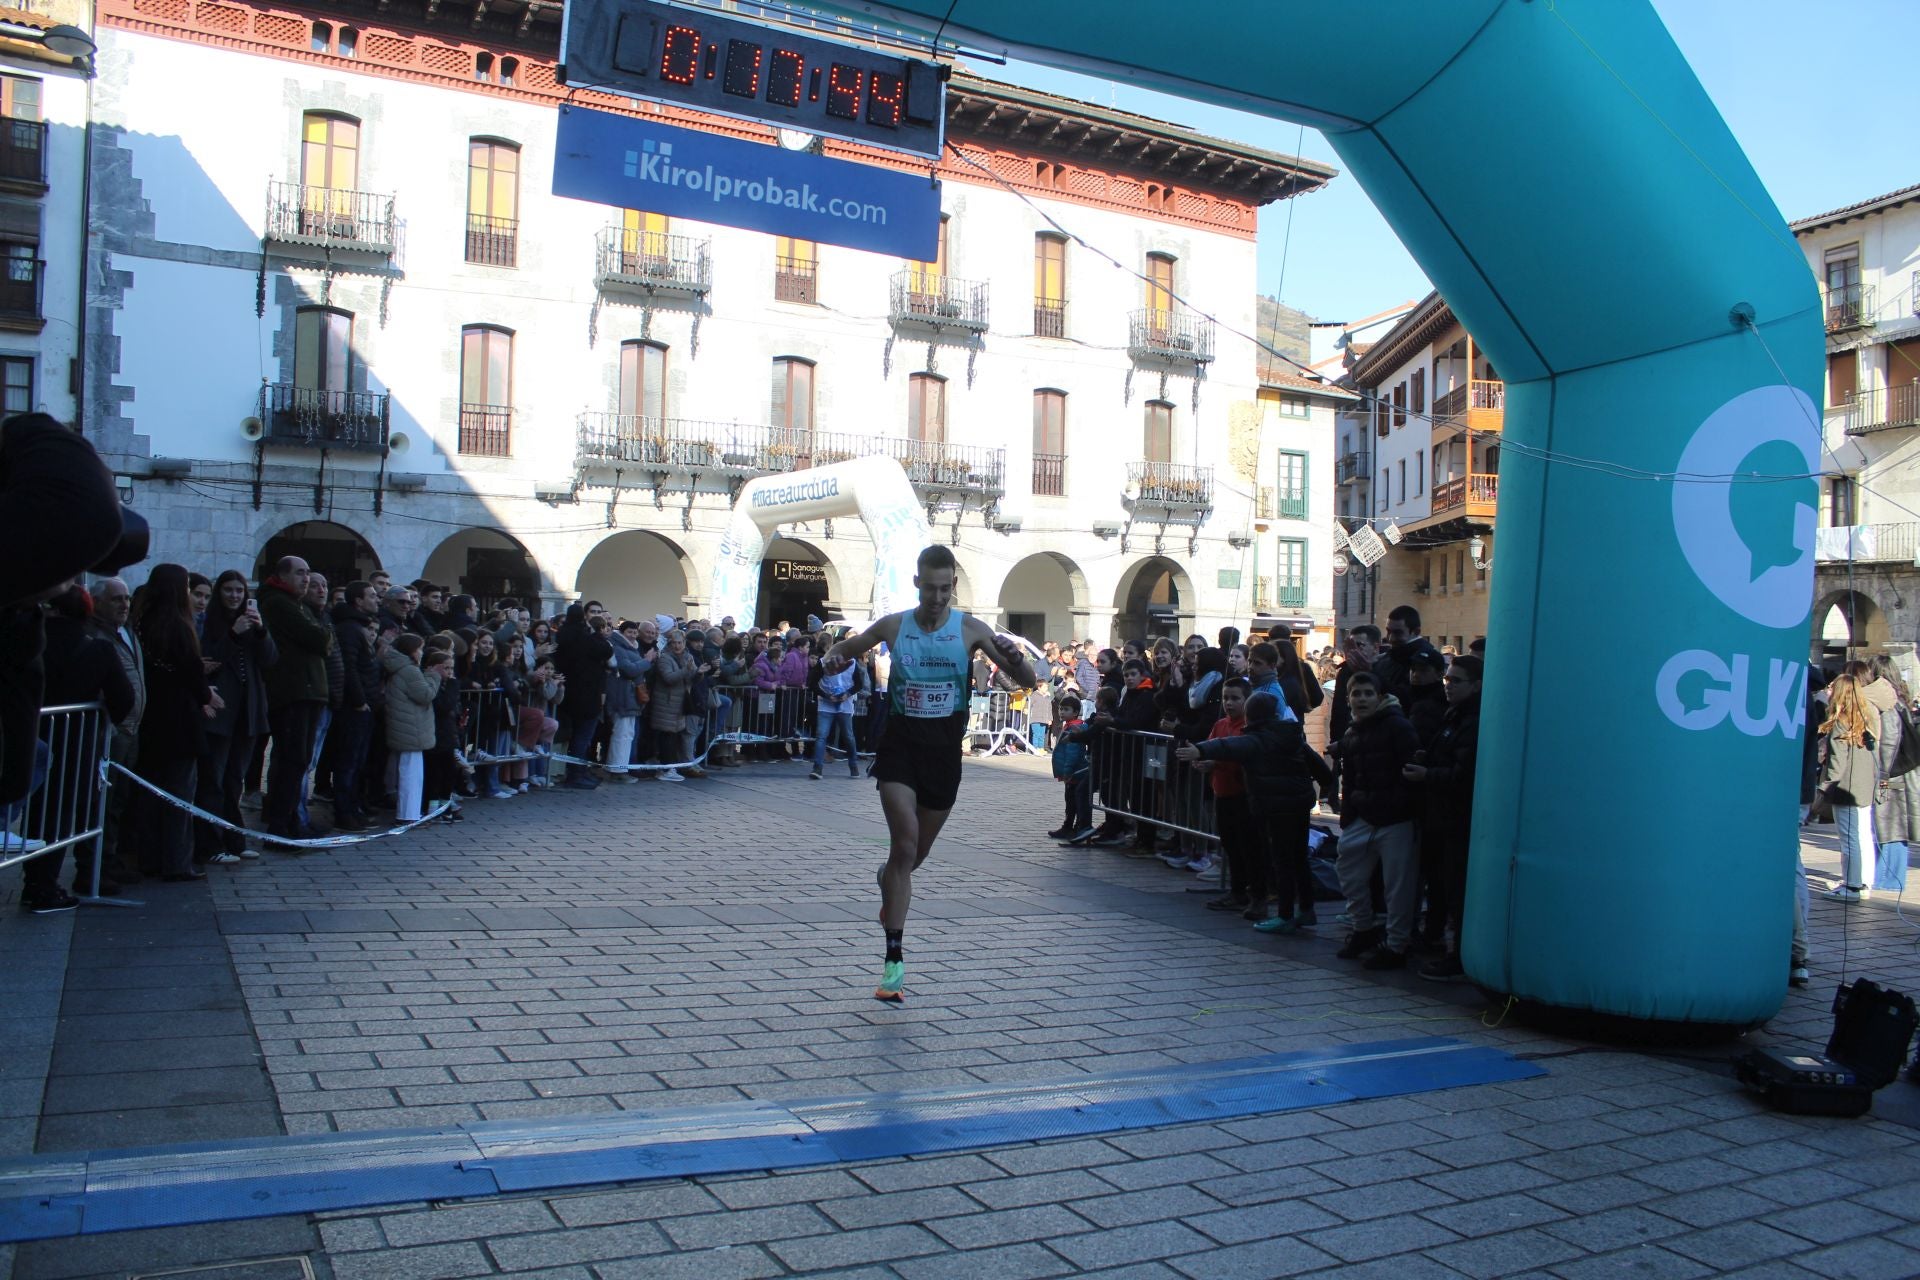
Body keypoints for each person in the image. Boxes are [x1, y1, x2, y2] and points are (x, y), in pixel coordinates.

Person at [821, 545, 1035, 1003]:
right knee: (903, 843)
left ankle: (889, 878)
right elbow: (847, 647)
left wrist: (1015, 659)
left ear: (952, 587)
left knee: (912, 858)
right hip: (900, 748)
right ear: (917, 583)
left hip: (943, 756)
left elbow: (1029, 680)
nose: (937, 597)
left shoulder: (972, 629)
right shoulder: (895, 626)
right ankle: (893, 964)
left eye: (945, 589)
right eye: (930, 588)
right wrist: (832, 658)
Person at [127, 564, 221, 882]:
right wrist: (206, 693)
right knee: (180, 793)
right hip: (179, 720)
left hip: (152, 719)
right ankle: (177, 861)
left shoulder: (142, 623)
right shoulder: (179, 627)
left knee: (152, 792)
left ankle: (150, 857)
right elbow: (190, 672)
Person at [1331, 671, 1421, 967]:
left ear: (1380, 697)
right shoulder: (1352, 731)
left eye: (1368, 693)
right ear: (1348, 699)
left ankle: (1396, 946)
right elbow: (1352, 779)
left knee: (1398, 886)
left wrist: (1398, 806)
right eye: (1356, 694)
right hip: (1364, 816)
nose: (1362, 699)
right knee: (1349, 871)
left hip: (1396, 819)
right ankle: (1363, 929)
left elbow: (1411, 773)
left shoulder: (1398, 727)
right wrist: (1349, 817)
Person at [1403, 655, 1482, 982]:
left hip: (1457, 820)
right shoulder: (1456, 714)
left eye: (1456, 681)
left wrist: (1427, 774)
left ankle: (1459, 955)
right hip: (1442, 816)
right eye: (1447, 680)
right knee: (1442, 886)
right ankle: (1445, 944)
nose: (1448, 686)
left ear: (1476, 685)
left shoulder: (1474, 720)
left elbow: (1465, 776)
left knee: (1456, 890)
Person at [196, 570, 277, 864]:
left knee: (234, 780)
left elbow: (270, 660)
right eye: (229, 590)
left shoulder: (252, 623)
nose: (234, 596)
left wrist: (261, 631)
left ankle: (235, 840)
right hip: (220, 710)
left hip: (248, 710)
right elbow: (210, 659)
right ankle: (210, 844)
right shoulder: (208, 622)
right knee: (213, 780)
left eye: (239, 591)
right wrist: (233, 633)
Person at [258, 555, 333, 842]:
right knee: (291, 759)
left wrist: (322, 633)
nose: (306, 579)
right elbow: (319, 639)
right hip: (293, 690)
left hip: (308, 690)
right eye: (300, 573)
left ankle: (291, 820)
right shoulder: (278, 603)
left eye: (308, 573)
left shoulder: (297, 605)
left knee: (299, 760)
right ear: (283, 576)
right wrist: (322, 634)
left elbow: (323, 639)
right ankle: (280, 825)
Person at [1819, 672, 1879, 903]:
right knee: (1861, 835)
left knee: (1849, 838)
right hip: (1864, 787)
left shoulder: (1841, 724)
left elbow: (1836, 766)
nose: (1829, 691)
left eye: (1832, 688)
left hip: (1845, 790)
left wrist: (1822, 790)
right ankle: (1861, 882)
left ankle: (1852, 885)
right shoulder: (1867, 720)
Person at [331, 580, 383, 832]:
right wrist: (360, 700)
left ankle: (354, 808)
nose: (377, 599)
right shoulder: (350, 629)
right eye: (372, 595)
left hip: (366, 705)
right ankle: (344, 812)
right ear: (358, 601)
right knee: (348, 762)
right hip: (355, 708)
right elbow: (349, 667)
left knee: (358, 762)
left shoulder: (358, 626)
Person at [1866, 655, 1917, 895]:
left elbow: (1888, 742)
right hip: (1900, 773)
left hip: (1892, 775)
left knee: (1890, 827)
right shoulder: (1900, 699)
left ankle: (1888, 879)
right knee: (1892, 826)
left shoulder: (1887, 702)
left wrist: (1882, 776)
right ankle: (1888, 877)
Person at [810, 631, 864, 780]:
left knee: (848, 736)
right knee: (821, 735)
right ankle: (817, 767)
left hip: (845, 704)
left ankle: (853, 766)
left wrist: (847, 694)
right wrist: (826, 695)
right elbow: (812, 683)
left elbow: (859, 684)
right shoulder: (823, 663)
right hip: (826, 704)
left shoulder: (853, 663)